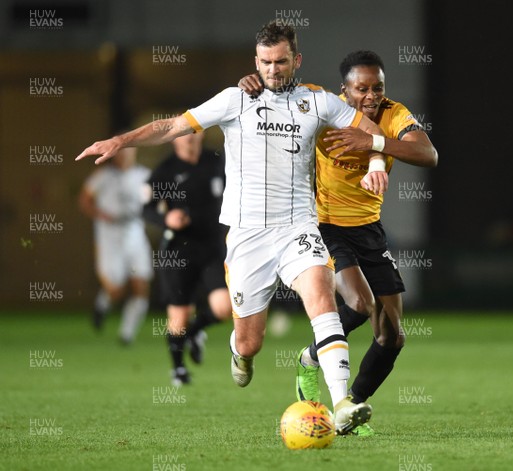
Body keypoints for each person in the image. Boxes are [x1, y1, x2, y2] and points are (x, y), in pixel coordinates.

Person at [75, 21, 389, 435]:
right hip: (247, 237)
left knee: (321, 298)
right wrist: (121, 140)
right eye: (265, 62)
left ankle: (342, 402)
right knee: (250, 341)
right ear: (255, 62)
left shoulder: (318, 101)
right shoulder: (235, 99)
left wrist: (379, 161)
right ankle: (239, 353)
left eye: (280, 62)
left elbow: (369, 130)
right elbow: (172, 126)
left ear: (296, 60)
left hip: (298, 226)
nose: (273, 70)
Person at [238, 50, 438, 436]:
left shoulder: (394, 114)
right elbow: (278, 86)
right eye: (361, 88)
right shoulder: (323, 108)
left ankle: (352, 409)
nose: (371, 95)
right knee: (359, 304)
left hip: (369, 229)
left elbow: (428, 154)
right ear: (344, 90)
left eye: (377, 87)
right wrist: (255, 81)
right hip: (324, 225)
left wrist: (375, 144)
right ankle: (312, 360)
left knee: (392, 334)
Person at [143, 132, 231, 386]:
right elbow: (146, 208)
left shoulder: (216, 161)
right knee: (178, 317)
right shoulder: (166, 171)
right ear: (174, 139)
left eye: (193, 132)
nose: (189, 137)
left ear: (202, 134)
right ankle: (179, 369)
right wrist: (165, 219)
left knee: (224, 307)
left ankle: (196, 331)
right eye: (183, 133)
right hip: (178, 250)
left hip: (213, 246)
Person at [79, 146, 153, 345]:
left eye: (129, 151)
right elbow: (84, 200)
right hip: (110, 237)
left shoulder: (144, 175)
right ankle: (102, 305)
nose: (125, 156)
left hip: (135, 233)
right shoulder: (103, 176)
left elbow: (155, 201)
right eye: (121, 151)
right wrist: (101, 214)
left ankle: (126, 335)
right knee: (116, 289)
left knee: (141, 285)